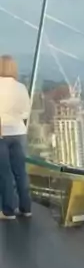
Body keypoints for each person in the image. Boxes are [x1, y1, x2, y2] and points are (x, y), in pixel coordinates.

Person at [0, 54, 32, 220]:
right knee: (20, 172)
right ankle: (26, 208)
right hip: (19, 132)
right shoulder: (21, 87)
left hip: (2, 133)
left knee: (5, 173)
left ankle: (8, 211)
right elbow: (26, 112)